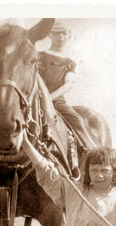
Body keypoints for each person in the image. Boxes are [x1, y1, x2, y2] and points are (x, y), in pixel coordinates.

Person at [21, 130, 116, 226]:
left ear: (115, 172)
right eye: (94, 170)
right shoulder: (75, 192)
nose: (99, 175)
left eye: (104, 170)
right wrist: (26, 144)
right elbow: (47, 172)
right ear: (88, 171)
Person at [38, 19, 97, 148]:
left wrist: (49, 98)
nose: (61, 37)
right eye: (57, 33)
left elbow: (68, 85)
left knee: (77, 121)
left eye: (64, 33)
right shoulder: (38, 56)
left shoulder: (70, 63)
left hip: (56, 102)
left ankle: (90, 151)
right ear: (49, 35)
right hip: (34, 99)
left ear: (69, 36)